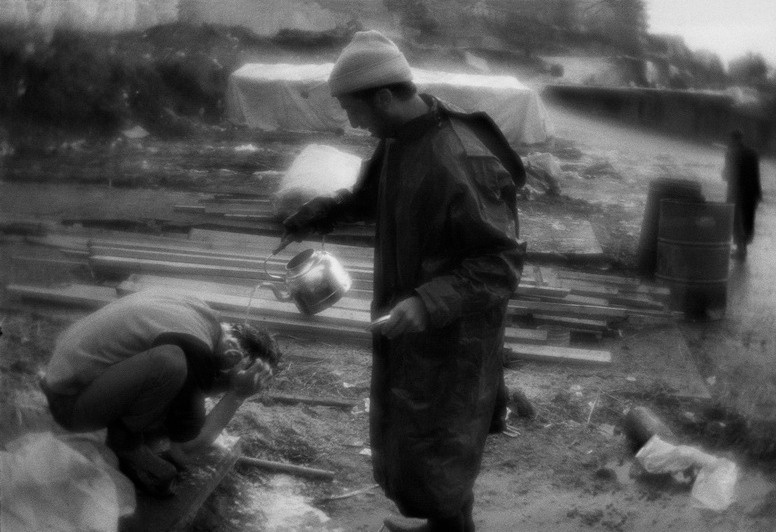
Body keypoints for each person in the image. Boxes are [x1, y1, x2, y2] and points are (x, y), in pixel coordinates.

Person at [282, 30, 526, 532]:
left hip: (453, 335)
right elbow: (371, 197)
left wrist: (427, 301)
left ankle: (450, 527)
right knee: (414, 436)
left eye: (355, 111)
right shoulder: (400, 141)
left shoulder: (460, 159)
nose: (353, 122)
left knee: (444, 442)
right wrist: (320, 214)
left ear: (386, 96)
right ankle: (438, 525)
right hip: (412, 320)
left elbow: (500, 262)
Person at [40, 290, 281, 497]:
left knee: (172, 373)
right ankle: (126, 447)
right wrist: (236, 395)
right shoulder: (194, 349)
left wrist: (225, 384)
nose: (220, 385)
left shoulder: (200, 314)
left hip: (66, 378)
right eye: (226, 378)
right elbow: (184, 450)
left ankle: (128, 434)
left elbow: (195, 387)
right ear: (233, 357)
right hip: (70, 406)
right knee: (170, 363)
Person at [722, 130, 762, 259]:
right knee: (748, 221)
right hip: (751, 193)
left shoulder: (732, 153)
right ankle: (743, 250)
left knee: (737, 221)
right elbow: (756, 175)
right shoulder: (753, 153)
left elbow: (726, 175)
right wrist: (758, 193)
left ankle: (741, 251)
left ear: (733, 139)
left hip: (737, 193)